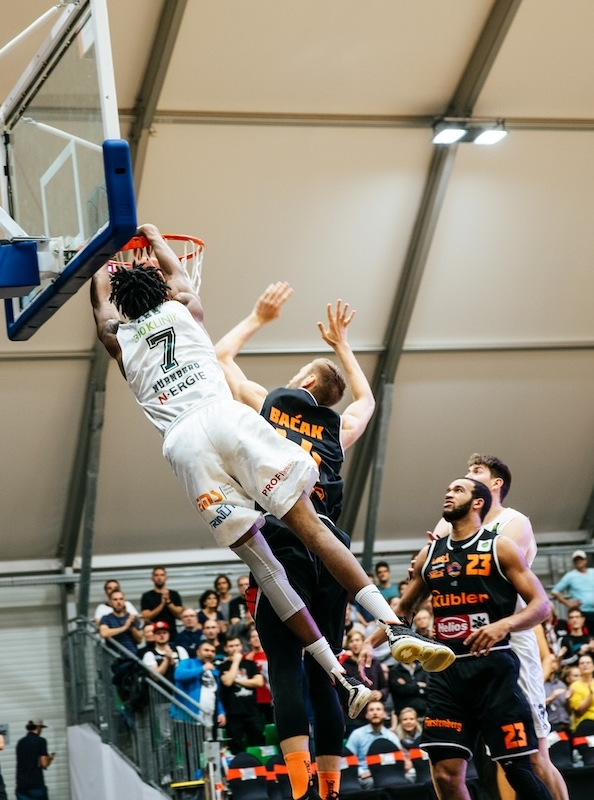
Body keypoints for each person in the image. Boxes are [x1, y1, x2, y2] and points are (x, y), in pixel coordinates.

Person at [91, 229, 448, 723]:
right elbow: (176, 275)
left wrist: (97, 259)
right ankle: (393, 625)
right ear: (163, 292)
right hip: (226, 419)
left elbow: (103, 308)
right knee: (315, 530)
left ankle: (340, 677)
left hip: (185, 446)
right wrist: (150, 235)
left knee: (266, 569)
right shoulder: (185, 310)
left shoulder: (120, 341)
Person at [213, 281, 388, 799]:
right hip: (333, 553)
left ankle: (298, 790)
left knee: (286, 665)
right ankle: (331, 790)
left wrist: (257, 317)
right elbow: (368, 401)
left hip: (284, 546)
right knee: (325, 672)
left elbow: (222, 358)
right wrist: (344, 347)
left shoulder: (271, 404)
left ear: (306, 380)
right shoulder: (337, 429)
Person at [390, 477, 554, 800]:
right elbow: (404, 611)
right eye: (447, 488)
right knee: (445, 774)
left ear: (478, 502)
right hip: (446, 673)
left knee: (521, 771)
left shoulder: (500, 545)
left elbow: (542, 605)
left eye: (458, 490)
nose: (448, 493)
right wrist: (370, 644)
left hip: (493, 670)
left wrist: (503, 625)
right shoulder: (429, 554)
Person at [427, 453, 569, 800]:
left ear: (493, 486)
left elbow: (492, 581)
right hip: (460, 649)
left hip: (511, 636)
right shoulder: (451, 523)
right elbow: (433, 568)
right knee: (462, 766)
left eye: (475, 472)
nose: (466, 475)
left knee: (532, 756)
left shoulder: (513, 522)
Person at [218, 637, 266, 753]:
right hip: (233, 713)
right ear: (225, 648)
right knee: (235, 746)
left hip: (252, 712)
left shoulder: (250, 664)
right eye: (231, 646)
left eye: (236, 645)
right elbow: (227, 682)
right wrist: (235, 662)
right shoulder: (222, 666)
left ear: (240, 646)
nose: (234, 648)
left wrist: (236, 680)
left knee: (258, 743)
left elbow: (259, 682)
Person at [345, 701, 408, 789]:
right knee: (370, 782)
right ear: (367, 715)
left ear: (384, 714)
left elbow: (401, 758)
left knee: (410, 777)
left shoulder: (391, 736)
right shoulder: (357, 735)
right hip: (365, 775)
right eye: (371, 710)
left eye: (378, 709)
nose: (375, 712)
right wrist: (361, 772)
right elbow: (348, 759)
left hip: (389, 773)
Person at [172, 640, 225, 735]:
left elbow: (217, 695)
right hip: (188, 718)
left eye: (212, 651)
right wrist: (202, 668)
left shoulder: (214, 671)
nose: (209, 653)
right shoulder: (188, 662)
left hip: (209, 719)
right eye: (206, 650)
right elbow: (178, 675)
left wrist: (221, 712)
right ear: (198, 652)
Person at [550, 550, 594, 641]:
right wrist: (568, 603)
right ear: (574, 562)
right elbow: (555, 591)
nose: (579, 562)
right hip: (581, 613)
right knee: (584, 637)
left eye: (581, 559)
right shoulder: (570, 576)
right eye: (576, 560)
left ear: (585, 560)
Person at [567, 653, 594, 734]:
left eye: (588, 663)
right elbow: (579, 711)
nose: (585, 665)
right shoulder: (574, 686)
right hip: (582, 728)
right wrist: (591, 694)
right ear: (579, 667)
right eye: (582, 663)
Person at [140, 567, 184, 640]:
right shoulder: (147, 596)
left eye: (162, 575)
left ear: (166, 578)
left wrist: (169, 602)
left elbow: (179, 614)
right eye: (156, 575)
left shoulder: (174, 594)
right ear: (152, 578)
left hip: (172, 634)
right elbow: (146, 617)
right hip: (153, 635)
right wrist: (161, 605)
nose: (159, 578)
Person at [15, 720, 53, 800]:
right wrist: (49, 759)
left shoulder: (20, 742)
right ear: (38, 727)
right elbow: (44, 764)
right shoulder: (41, 741)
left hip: (21, 785)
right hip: (36, 785)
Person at [99, 589, 144, 654]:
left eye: (121, 599)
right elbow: (104, 633)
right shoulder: (106, 618)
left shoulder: (131, 618)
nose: (119, 602)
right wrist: (125, 627)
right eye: (115, 599)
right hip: (115, 657)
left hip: (133, 656)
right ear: (110, 602)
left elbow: (139, 640)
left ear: (124, 601)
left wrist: (132, 627)